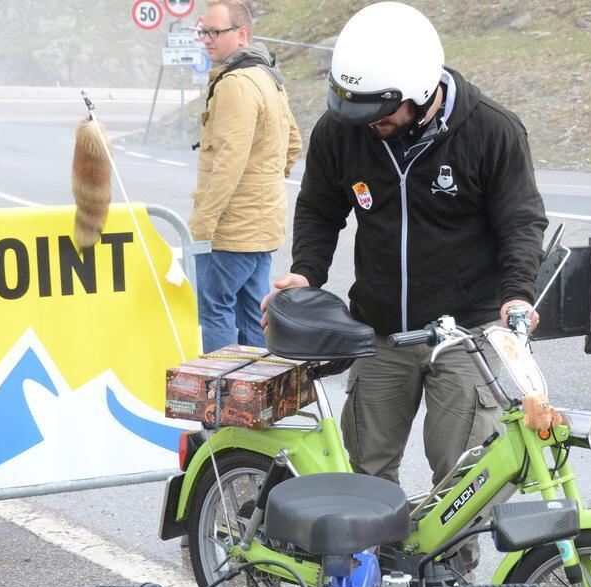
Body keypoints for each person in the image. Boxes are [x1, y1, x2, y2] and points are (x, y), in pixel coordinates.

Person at [267, 1, 547, 495]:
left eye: (379, 109)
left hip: (463, 334)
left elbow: (521, 223)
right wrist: (306, 273)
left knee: (463, 480)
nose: (367, 121)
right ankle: (370, 569)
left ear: (421, 90)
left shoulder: (491, 131)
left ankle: (455, 575)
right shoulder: (343, 130)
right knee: (366, 472)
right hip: (378, 331)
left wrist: (518, 293)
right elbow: (318, 209)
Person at [189, 0, 301, 352]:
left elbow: (229, 161)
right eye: (203, 31)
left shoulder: (235, 83)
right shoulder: (268, 76)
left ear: (242, 34)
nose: (206, 39)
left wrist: (203, 225)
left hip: (231, 229)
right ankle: (254, 400)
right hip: (262, 225)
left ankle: (221, 399)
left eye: (214, 32)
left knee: (216, 309)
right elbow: (294, 143)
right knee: (251, 311)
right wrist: (265, 184)